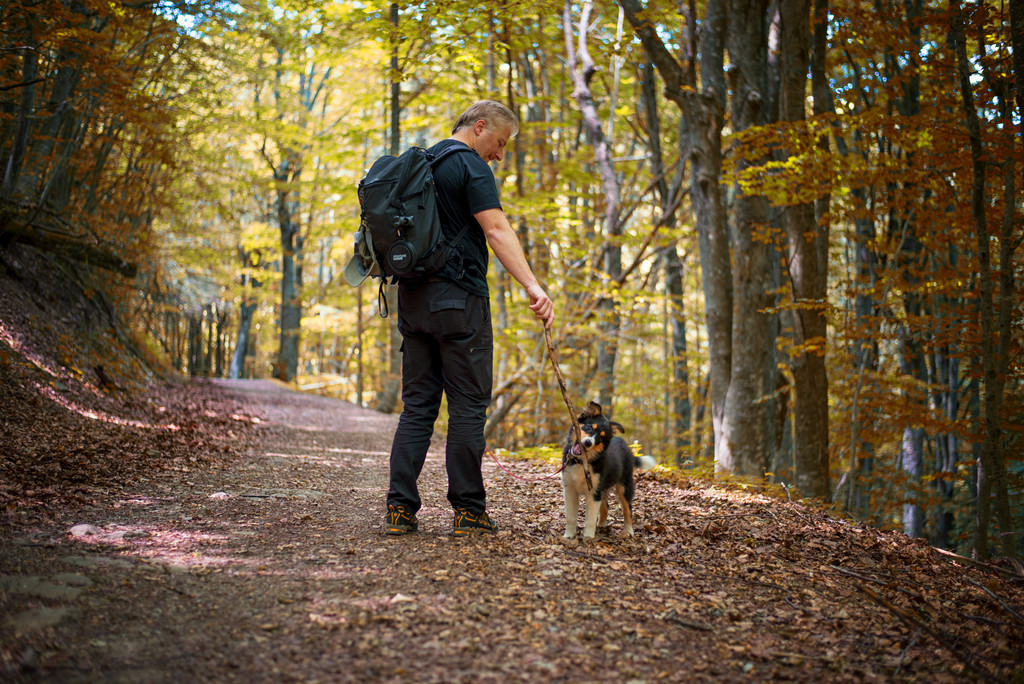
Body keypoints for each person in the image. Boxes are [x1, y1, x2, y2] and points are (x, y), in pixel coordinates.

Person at [385, 100, 554, 536]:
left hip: (414, 300)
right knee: (466, 407)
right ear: (480, 128)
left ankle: (400, 510)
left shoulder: (421, 164)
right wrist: (534, 287)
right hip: (460, 304)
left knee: (418, 407)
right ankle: (469, 512)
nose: (498, 154)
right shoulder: (471, 168)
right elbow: (496, 230)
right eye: (498, 143)